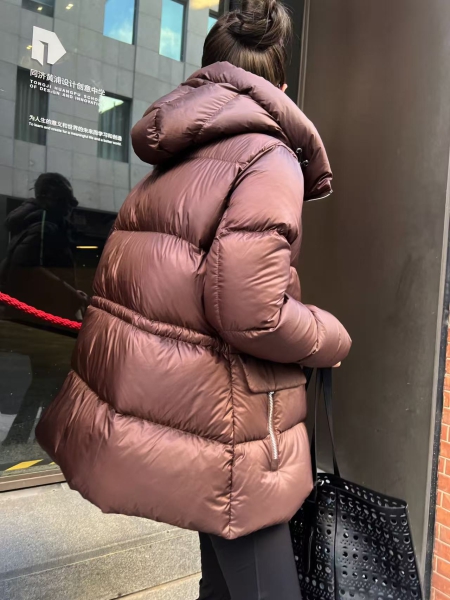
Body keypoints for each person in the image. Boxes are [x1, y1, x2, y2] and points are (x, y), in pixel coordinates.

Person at [36, 1, 351, 598]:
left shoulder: (174, 160)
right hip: (232, 422)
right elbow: (251, 311)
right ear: (280, 88)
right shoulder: (269, 158)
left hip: (193, 411)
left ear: (206, 76)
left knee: (223, 582)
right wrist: (328, 336)